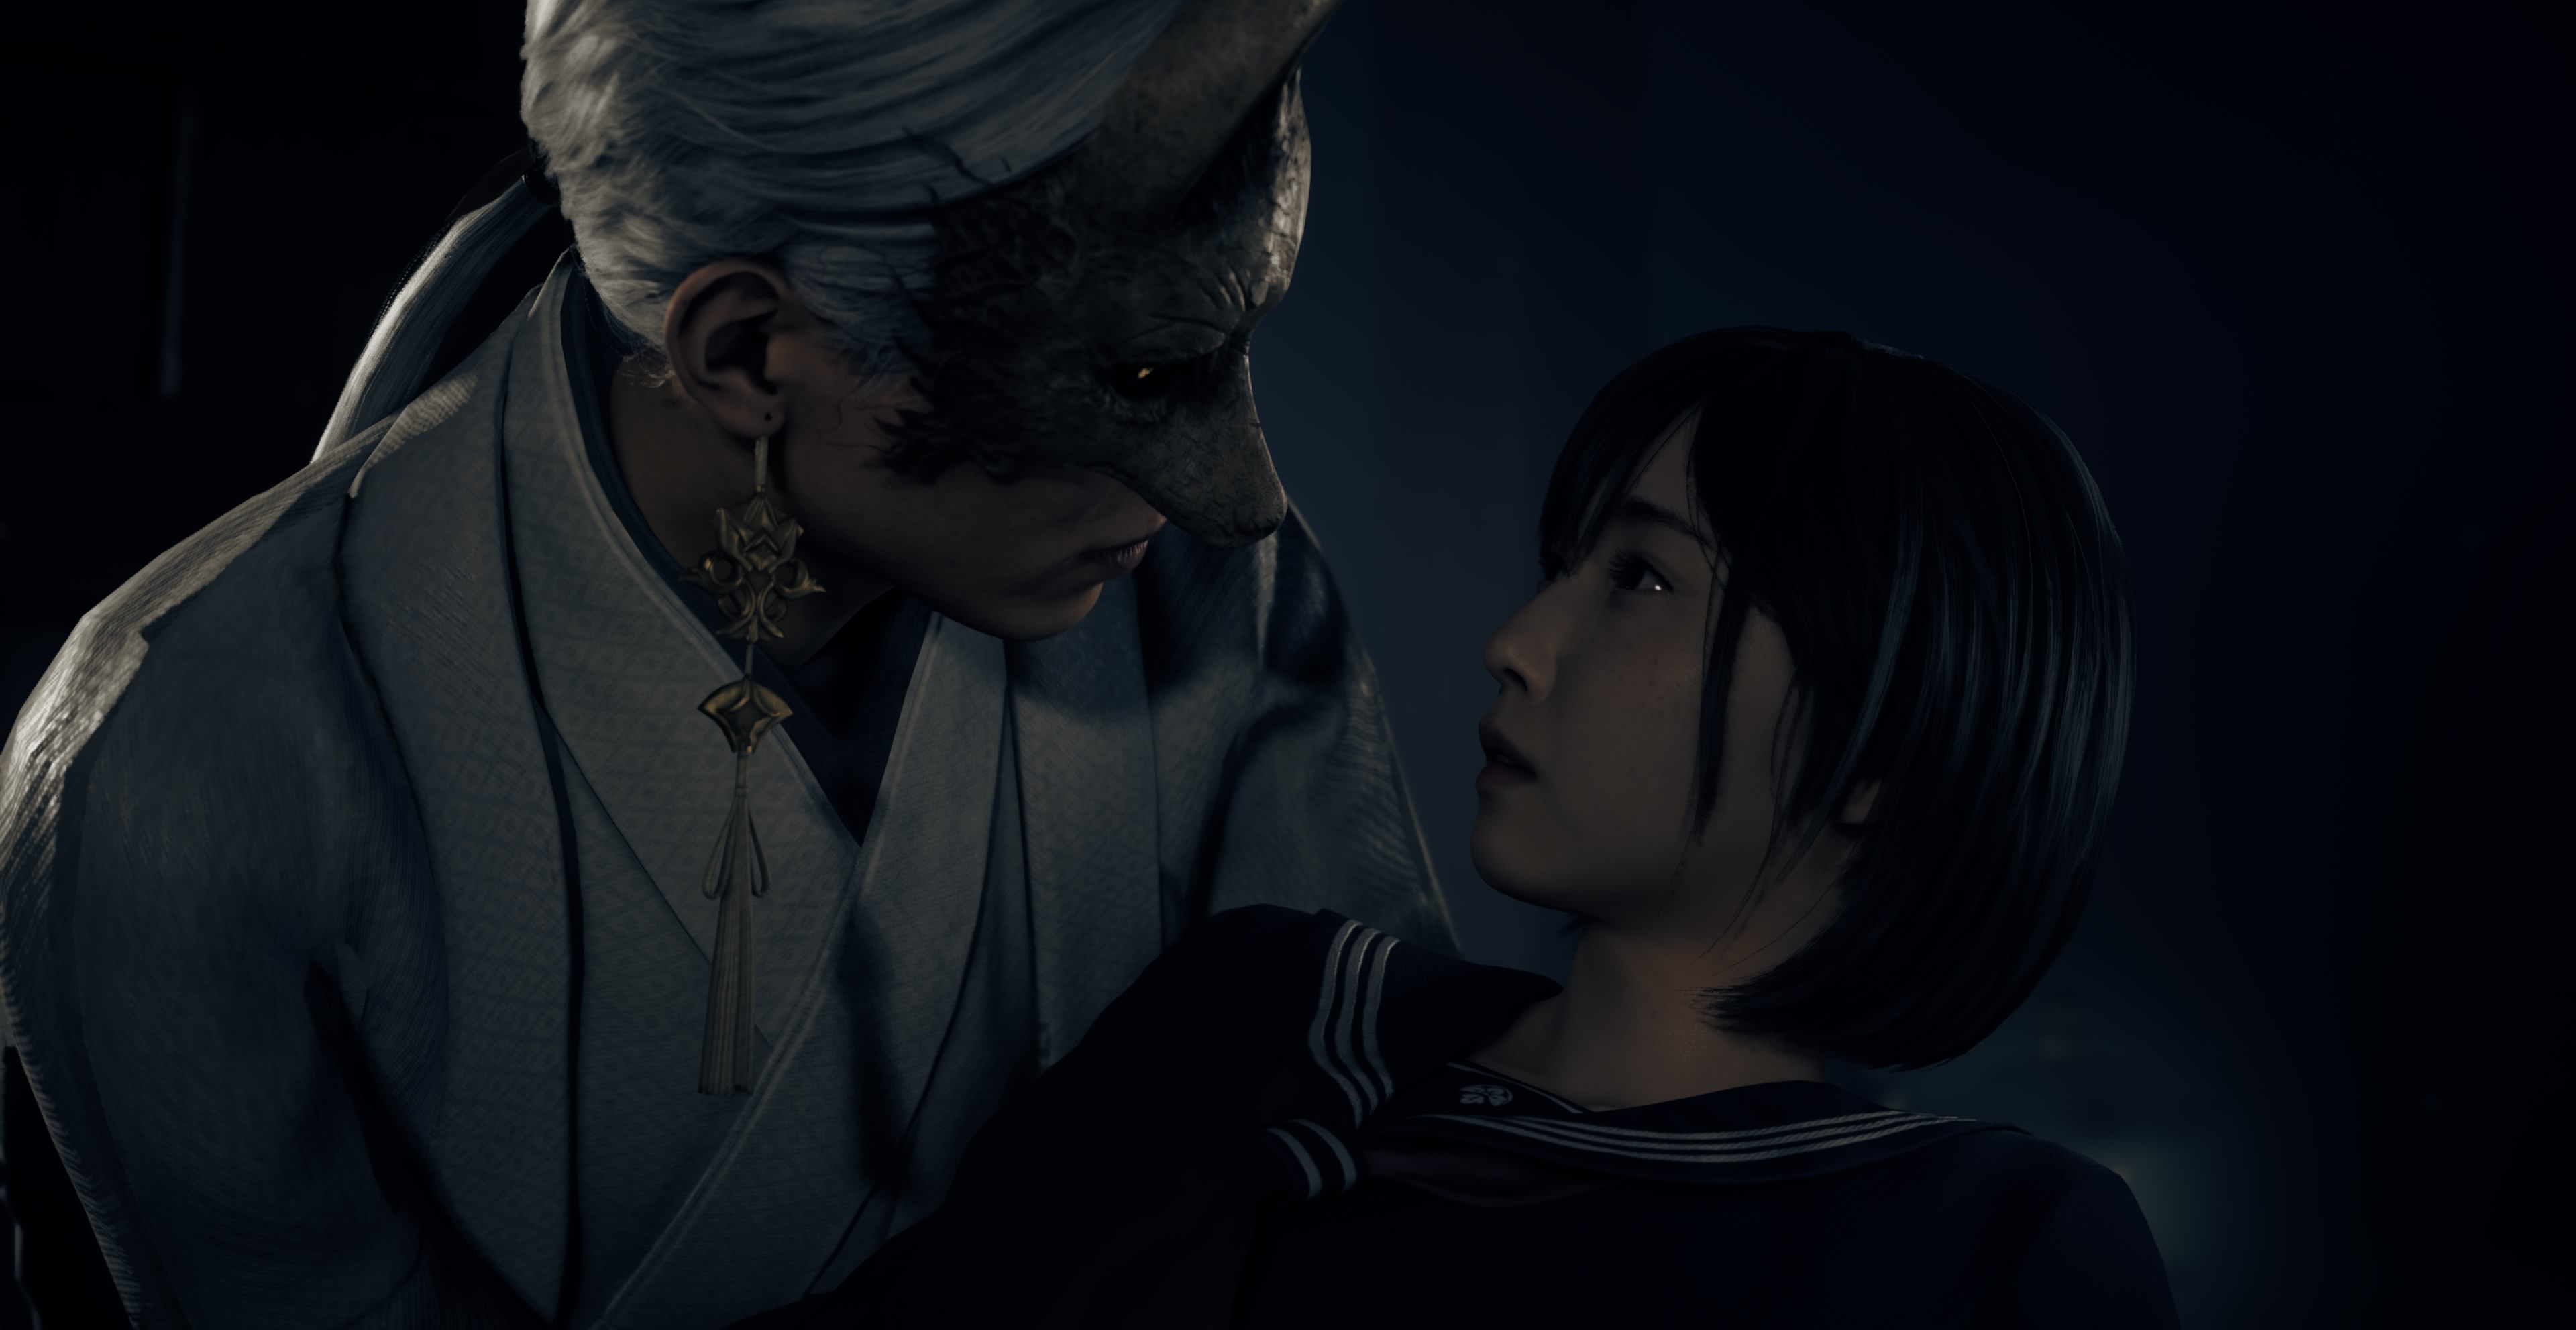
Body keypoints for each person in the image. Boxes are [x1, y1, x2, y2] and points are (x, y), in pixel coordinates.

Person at [0, 0, 1454, 1326]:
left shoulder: (1208, 582)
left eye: (1233, 351)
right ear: (750, 351)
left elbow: (1405, 1167)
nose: (1242, 496)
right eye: (1142, 378)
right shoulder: (184, 753)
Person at [740, 327, 2178, 1329]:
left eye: (1646, 582)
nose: (1518, 644)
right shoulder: (1266, 1008)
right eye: (1566, 566)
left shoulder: (1984, 1246)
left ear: (1884, 742)